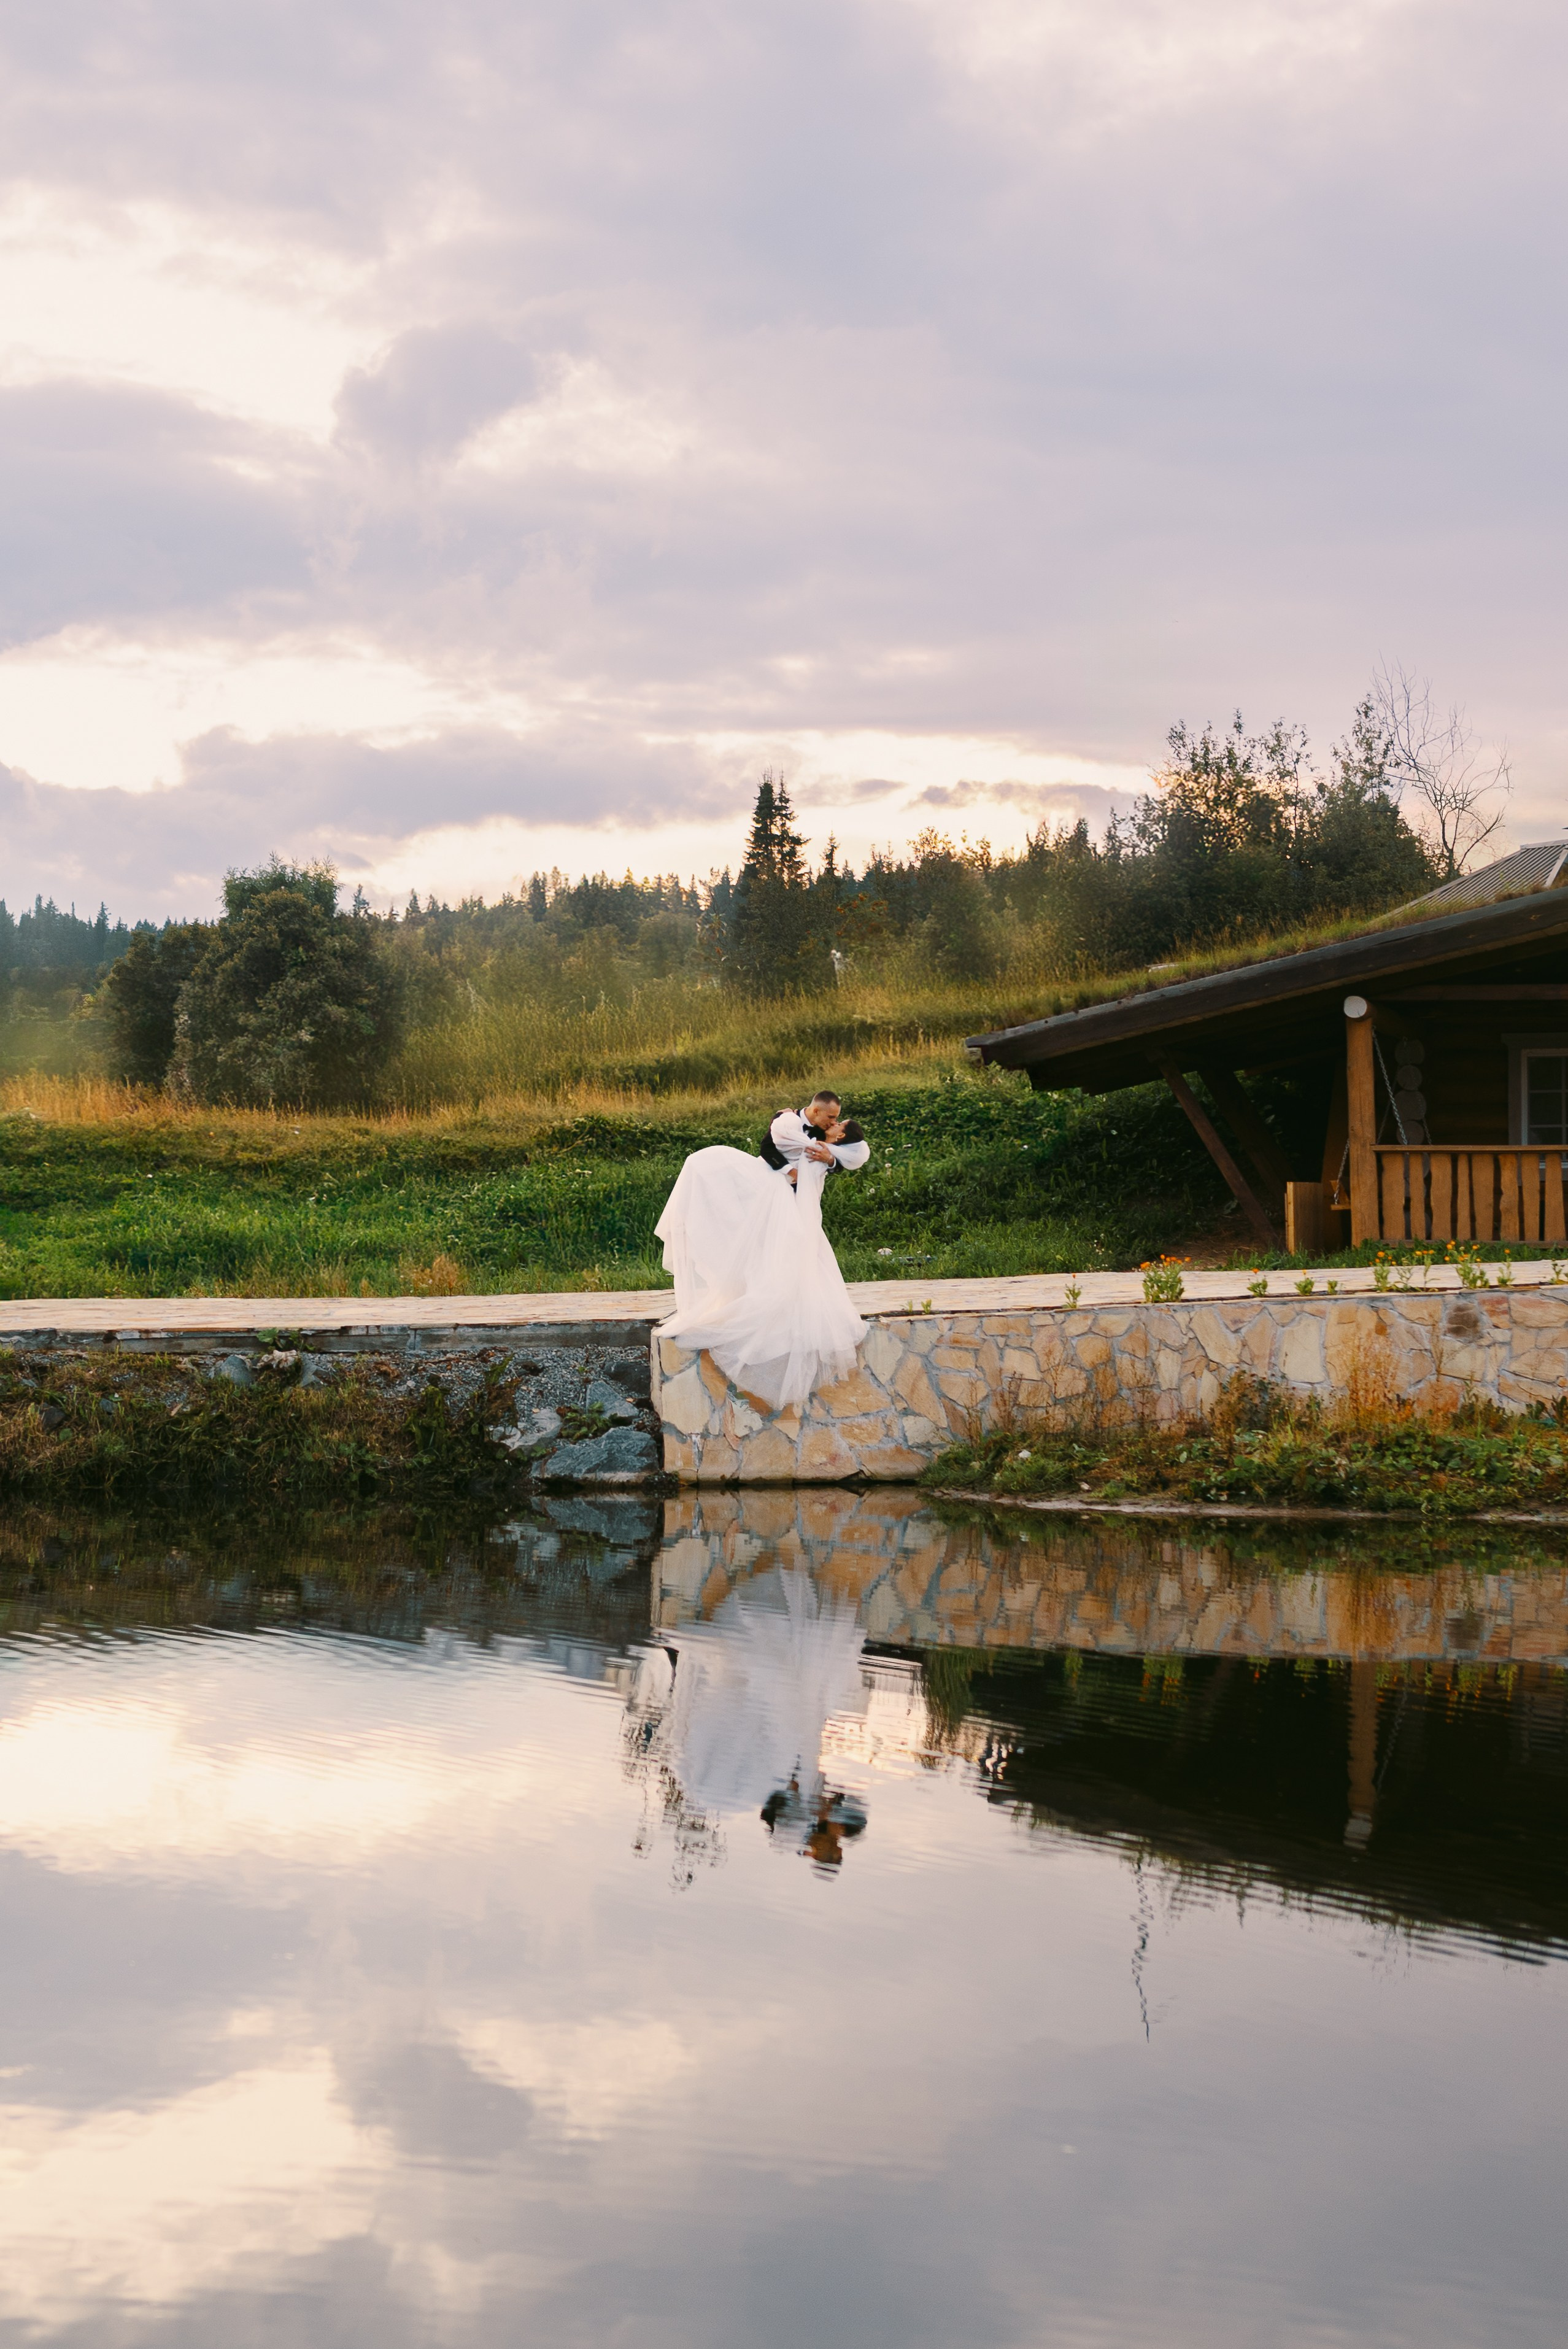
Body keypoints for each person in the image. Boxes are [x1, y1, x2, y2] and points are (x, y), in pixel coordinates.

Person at [654, 1087, 871, 1409]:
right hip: (769, 1185)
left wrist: (831, 1161)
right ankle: (744, 1287)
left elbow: (843, 1157)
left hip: (793, 1201)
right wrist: (790, 1172)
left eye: (839, 1121)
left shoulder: (825, 1141)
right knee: (708, 1171)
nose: (835, 1121)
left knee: (786, 1250)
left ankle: (777, 1297)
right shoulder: (786, 1120)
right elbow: (768, 1147)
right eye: (833, 1117)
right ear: (816, 1110)